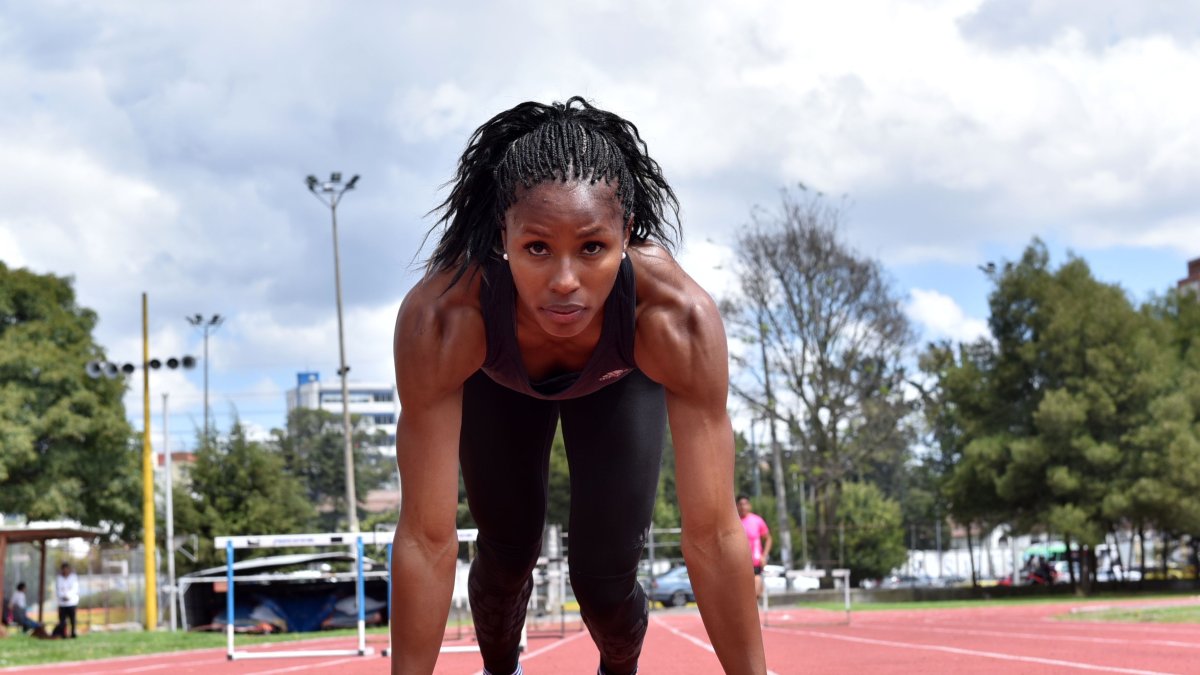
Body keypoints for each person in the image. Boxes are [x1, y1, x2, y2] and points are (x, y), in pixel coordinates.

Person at [390, 97, 767, 675]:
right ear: (503, 234)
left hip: (620, 385)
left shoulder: (673, 318)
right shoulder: (445, 317)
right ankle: (501, 670)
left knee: (604, 583)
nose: (565, 282)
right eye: (537, 248)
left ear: (627, 234)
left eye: (592, 248)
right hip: (498, 387)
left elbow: (714, 536)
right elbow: (426, 538)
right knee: (506, 557)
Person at [737, 495, 773, 601]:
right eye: (740, 504)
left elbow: (768, 538)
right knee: (744, 595)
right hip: (739, 563)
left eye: (745, 504)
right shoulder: (734, 522)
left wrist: (764, 556)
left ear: (749, 506)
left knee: (755, 593)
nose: (743, 507)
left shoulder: (757, 520)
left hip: (755, 563)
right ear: (737, 506)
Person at [54, 563, 78, 638]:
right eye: (63, 569)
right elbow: (58, 589)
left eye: (66, 569)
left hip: (71, 602)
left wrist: (68, 596)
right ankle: (63, 634)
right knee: (62, 621)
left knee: (72, 620)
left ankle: (73, 633)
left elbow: (75, 589)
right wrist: (63, 596)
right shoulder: (59, 578)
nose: (65, 570)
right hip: (62, 603)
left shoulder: (73, 577)